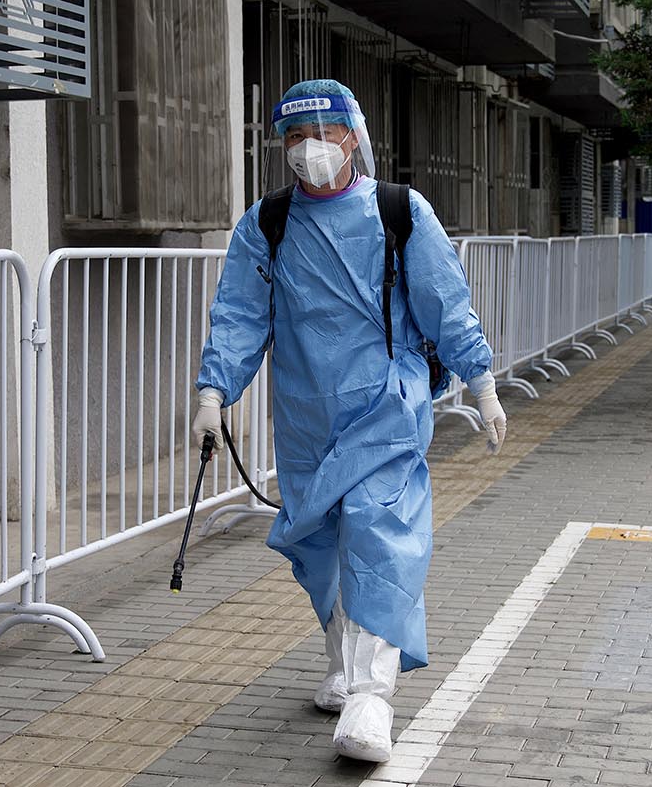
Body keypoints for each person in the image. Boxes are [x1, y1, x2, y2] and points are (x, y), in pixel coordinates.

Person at [190, 79, 507, 763]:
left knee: (378, 537)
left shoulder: (400, 211)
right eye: (294, 137)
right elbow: (240, 315)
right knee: (324, 547)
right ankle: (344, 664)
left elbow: (445, 301)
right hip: (306, 415)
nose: (309, 150)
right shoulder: (266, 224)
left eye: (322, 134)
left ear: (353, 138)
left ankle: (370, 699)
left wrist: (481, 382)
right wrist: (214, 392)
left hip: (385, 406)